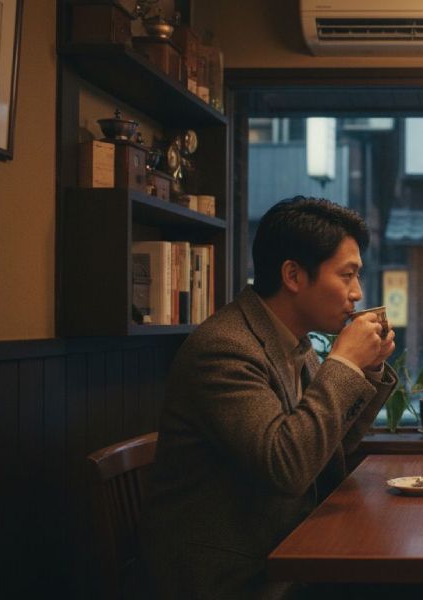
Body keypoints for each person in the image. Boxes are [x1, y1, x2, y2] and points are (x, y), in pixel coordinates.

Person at [141, 197, 398, 599]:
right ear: (293, 275)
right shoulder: (225, 349)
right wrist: (345, 364)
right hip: (232, 573)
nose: (357, 293)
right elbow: (288, 467)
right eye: (347, 275)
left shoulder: (292, 341)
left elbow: (328, 448)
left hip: (282, 547)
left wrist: (368, 369)